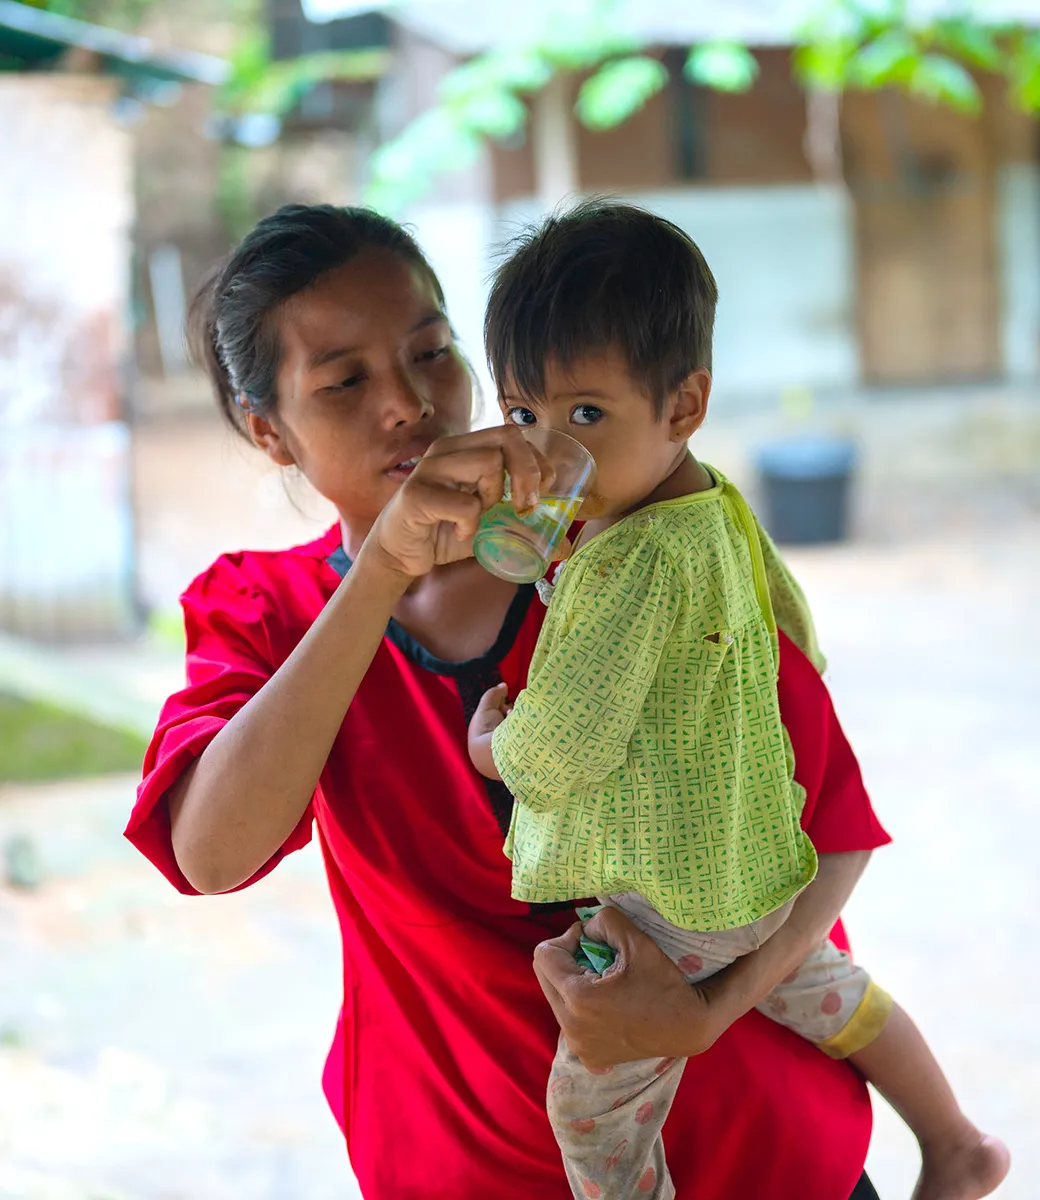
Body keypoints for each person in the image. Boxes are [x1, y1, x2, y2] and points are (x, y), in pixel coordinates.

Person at [126, 202, 891, 1199]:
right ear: (269, 432)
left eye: (432, 351)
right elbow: (212, 853)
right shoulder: (266, 614)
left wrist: (708, 1012)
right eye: (345, 380)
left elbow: (826, 820)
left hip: (754, 1143)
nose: (408, 403)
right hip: (470, 1159)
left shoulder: (641, 555)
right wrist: (382, 570)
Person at [467, 201, 1010, 1200]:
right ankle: (954, 1140)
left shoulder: (624, 562)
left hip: (665, 903)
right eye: (521, 414)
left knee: (587, 1109)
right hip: (751, 861)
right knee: (825, 989)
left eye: (585, 414)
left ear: (682, 405)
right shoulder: (705, 496)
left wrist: (493, 744)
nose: (549, 452)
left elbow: (562, 751)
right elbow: (786, 617)